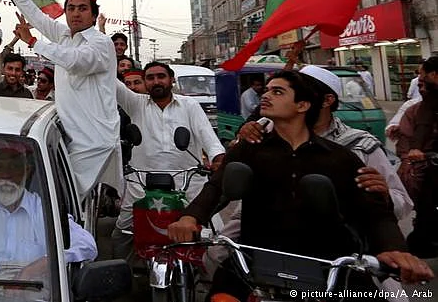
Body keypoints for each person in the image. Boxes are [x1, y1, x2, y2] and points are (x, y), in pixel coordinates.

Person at [168, 71, 433, 297]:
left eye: (278, 92)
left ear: (303, 105)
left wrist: (395, 251)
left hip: (329, 270)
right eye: (268, 89)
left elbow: (376, 213)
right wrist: (190, 218)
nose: (266, 95)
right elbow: (216, 188)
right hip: (256, 264)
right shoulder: (249, 149)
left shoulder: (343, 156)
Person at [0, 0, 120, 198]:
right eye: (71, 8)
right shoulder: (64, 35)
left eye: (82, 8)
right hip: (70, 137)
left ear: (93, 14)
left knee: (62, 202)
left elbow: (73, 60)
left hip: (93, 140)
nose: (76, 13)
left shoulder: (101, 43)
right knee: (59, 199)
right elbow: (37, 16)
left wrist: (32, 41)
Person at [235, 65, 413, 221]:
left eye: (304, 91)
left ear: (327, 100)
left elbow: (401, 205)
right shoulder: (263, 133)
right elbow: (241, 207)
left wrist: (384, 196)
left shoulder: (359, 146)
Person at [111, 61, 225, 261]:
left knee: (217, 233)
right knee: (121, 232)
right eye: (150, 78)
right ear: (145, 83)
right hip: (142, 182)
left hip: (188, 180)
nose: (156, 81)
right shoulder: (135, 103)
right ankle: (118, 277)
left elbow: (207, 135)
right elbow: (108, 81)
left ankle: (211, 279)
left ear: (171, 80)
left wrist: (217, 157)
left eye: (161, 77)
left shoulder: (189, 105)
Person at [0, 141, 97, 281]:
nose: (5, 175)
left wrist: (35, 268)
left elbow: (87, 245)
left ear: (27, 170)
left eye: (14, 166)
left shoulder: (42, 210)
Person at [393, 56, 438, 257]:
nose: (421, 81)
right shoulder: (421, 105)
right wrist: (414, 150)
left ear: (433, 75)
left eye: (422, 75)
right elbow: (422, 125)